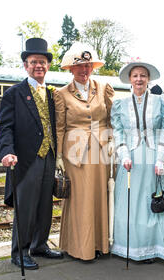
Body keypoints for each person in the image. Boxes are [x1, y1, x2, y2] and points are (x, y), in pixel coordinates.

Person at [110, 60, 164, 263]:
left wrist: (163, 156)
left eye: (143, 75)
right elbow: (118, 132)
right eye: (135, 75)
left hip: (156, 155)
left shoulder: (160, 101)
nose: (139, 79)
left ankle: (160, 246)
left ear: (148, 79)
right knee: (133, 203)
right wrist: (123, 154)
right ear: (130, 79)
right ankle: (137, 247)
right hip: (133, 159)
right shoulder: (120, 104)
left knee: (159, 200)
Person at [0, 38, 63, 270]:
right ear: (26, 65)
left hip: (49, 157)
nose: (38, 66)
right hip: (25, 158)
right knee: (25, 206)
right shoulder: (14, 94)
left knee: (45, 204)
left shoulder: (54, 95)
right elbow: (4, 128)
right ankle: (20, 252)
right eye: (33, 62)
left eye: (42, 62)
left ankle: (39, 245)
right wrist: (7, 152)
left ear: (48, 65)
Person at [54, 43, 115, 261]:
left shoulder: (103, 88)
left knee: (100, 197)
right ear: (71, 69)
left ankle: (100, 245)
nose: (84, 70)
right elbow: (60, 126)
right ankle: (79, 248)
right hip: (76, 154)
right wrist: (59, 156)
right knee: (80, 200)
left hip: (101, 151)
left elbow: (110, 118)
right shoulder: (61, 94)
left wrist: (113, 142)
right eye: (79, 67)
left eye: (88, 66)